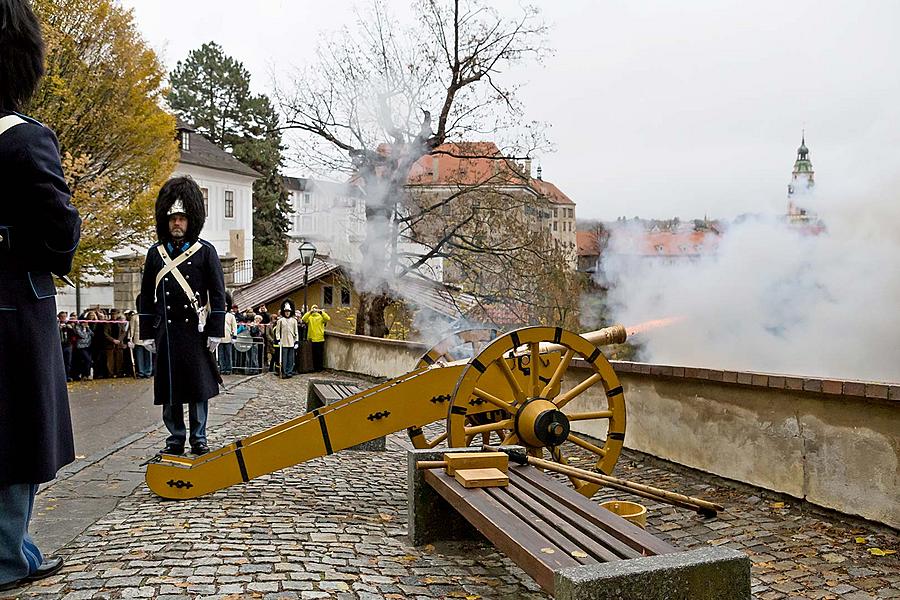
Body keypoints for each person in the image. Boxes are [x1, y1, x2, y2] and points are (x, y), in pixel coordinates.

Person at [0, 0, 82, 590]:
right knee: (18, 435)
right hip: (15, 304)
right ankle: (9, 555)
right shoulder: (27, 141)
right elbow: (60, 231)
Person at [138, 176, 226, 456]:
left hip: (195, 333)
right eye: (173, 218)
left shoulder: (205, 252)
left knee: (198, 389)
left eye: (182, 218)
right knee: (170, 389)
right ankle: (175, 437)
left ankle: (199, 436)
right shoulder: (156, 254)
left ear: (191, 220)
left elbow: (218, 293)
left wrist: (215, 329)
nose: (177, 223)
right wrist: (147, 332)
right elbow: (145, 296)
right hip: (167, 333)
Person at [301, 304, 331, 371]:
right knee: (317, 355)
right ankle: (318, 368)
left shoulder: (320, 317)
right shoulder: (310, 317)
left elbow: (327, 318)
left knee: (316, 355)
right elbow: (303, 319)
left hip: (317, 338)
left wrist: (321, 312)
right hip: (315, 338)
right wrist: (310, 312)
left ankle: (317, 367)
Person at [274, 300, 298, 378]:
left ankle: (289, 371)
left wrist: (296, 341)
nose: (287, 313)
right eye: (286, 311)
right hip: (283, 342)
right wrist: (278, 340)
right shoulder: (280, 321)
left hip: (291, 342)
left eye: (288, 311)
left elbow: (296, 332)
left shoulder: (294, 321)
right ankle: (284, 371)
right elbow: (277, 332)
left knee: (291, 359)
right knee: (283, 359)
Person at [129, 298, 152, 378]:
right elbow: (132, 329)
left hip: (147, 339)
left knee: (148, 356)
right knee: (139, 357)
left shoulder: (148, 316)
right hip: (138, 339)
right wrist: (130, 339)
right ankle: (141, 372)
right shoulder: (134, 317)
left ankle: (148, 371)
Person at [218, 298, 237, 375]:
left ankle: (229, 368)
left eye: (225, 306)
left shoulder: (231, 316)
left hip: (228, 337)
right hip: (220, 338)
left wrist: (234, 336)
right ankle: (222, 368)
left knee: (228, 354)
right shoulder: (219, 315)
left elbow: (234, 326)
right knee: (221, 355)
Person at [57, 311, 74, 382]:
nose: (63, 318)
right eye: (62, 317)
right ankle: (60, 377)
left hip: (68, 345)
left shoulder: (68, 325)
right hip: (60, 345)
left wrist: (71, 328)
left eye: (64, 317)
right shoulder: (56, 325)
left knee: (68, 362)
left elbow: (74, 334)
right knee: (60, 362)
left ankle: (67, 376)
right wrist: (58, 328)